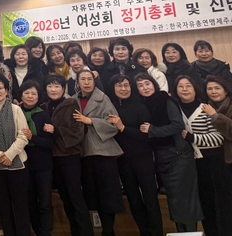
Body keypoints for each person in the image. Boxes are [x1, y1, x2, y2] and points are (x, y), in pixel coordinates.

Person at [135, 72, 203, 233]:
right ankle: (181, 233)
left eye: (147, 83)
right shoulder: (146, 104)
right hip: (163, 158)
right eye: (140, 85)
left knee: (185, 199)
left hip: (179, 156)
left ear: (154, 84)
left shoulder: (165, 99)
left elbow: (177, 125)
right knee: (174, 200)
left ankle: (190, 233)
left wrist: (153, 130)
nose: (145, 87)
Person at [174, 75, 232, 236]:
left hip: (216, 161)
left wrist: (193, 138)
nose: (185, 89)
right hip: (194, 163)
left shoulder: (206, 109)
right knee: (205, 203)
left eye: (188, 85)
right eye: (181, 86)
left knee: (223, 203)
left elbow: (219, 139)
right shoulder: (175, 109)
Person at [106, 74, 163, 236]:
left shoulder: (140, 107)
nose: (123, 89)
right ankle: (144, 232)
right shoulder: (110, 108)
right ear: (113, 88)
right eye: (119, 86)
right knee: (133, 199)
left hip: (143, 158)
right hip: (122, 160)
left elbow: (146, 136)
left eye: (126, 85)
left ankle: (156, 233)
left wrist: (123, 128)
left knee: (150, 198)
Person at [73, 70, 124, 236]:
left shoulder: (103, 98)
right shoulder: (72, 100)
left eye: (90, 79)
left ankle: (108, 231)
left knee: (107, 194)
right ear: (77, 82)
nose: (87, 82)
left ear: (94, 81)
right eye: (83, 79)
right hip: (82, 152)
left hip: (103, 151)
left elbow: (114, 124)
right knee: (92, 194)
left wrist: (90, 121)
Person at [43, 74, 94, 236]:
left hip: (69, 157)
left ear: (63, 88)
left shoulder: (71, 104)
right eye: (50, 86)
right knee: (65, 198)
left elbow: (78, 132)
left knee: (76, 198)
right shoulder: (45, 106)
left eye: (57, 86)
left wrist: (56, 130)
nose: (53, 89)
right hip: (53, 158)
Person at [0, 74, 31, 236]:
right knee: (3, 205)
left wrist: (9, 155)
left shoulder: (16, 109)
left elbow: (24, 135)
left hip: (18, 165)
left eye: (0, 88)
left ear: (6, 90)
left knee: (20, 204)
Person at [19, 81, 54, 236]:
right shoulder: (16, 112)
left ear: (38, 97)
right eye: (26, 93)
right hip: (23, 165)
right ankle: (36, 230)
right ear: (21, 95)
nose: (30, 96)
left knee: (45, 202)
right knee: (30, 201)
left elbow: (50, 143)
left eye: (34, 94)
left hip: (43, 165)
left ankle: (45, 232)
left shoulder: (43, 114)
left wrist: (32, 137)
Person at [205, 75, 232, 165]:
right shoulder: (205, 107)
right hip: (213, 158)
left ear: (226, 91)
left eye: (217, 88)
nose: (213, 92)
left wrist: (215, 116)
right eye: (209, 89)